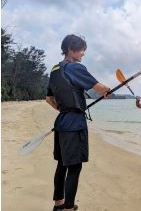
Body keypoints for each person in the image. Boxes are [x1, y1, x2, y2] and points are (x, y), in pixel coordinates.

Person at [46, 34, 110, 211]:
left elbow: (48, 98)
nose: (83, 53)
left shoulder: (54, 69)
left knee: (62, 164)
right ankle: (68, 207)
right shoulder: (76, 68)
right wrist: (106, 90)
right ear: (70, 50)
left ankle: (58, 205)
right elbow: (100, 88)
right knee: (74, 166)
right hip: (74, 124)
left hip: (61, 123)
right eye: (81, 50)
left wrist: (63, 109)